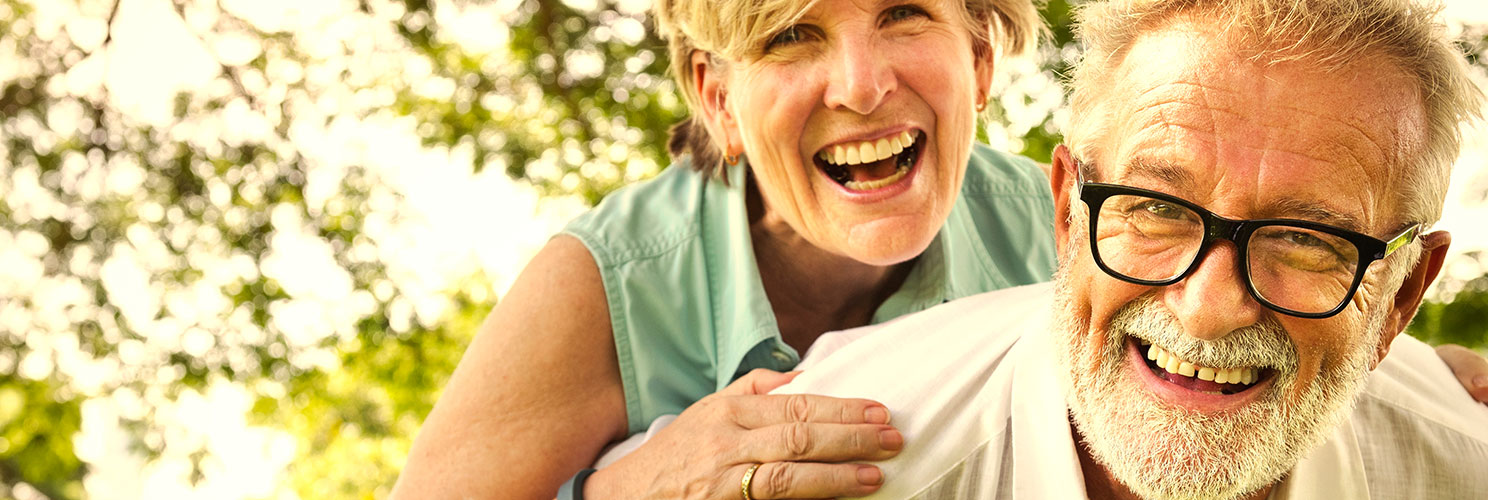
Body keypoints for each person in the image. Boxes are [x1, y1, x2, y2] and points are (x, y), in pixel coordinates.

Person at [393, 0, 1488, 497]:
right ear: (716, 94)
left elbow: (1249, 284)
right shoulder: (613, 279)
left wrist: (1422, 365)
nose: (862, 83)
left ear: (983, 58)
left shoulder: (1057, 209)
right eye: (791, 34)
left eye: (906, 15)